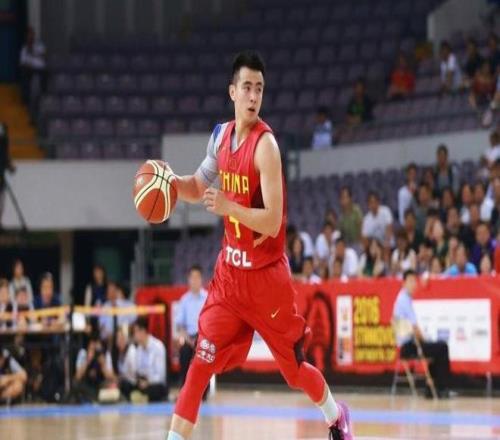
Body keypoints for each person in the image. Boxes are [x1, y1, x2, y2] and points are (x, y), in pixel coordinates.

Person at [164, 51, 353, 440]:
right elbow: (197, 186)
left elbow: (272, 220)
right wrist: (171, 183)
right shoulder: (220, 137)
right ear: (232, 91)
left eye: (260, 89)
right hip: (230, 277)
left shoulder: (266, 146)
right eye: (247, 87)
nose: (253, 96)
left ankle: (336, 416)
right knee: (200, 361)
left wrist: (229, 207)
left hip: (267, 279)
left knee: (294, 371)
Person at [392, 270, 451, 398]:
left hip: (409, 344)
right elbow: (415, 329)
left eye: (415, 281)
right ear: (403, 283)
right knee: (442, 347)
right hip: (408, 346)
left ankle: (431, 389)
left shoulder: (403, 298)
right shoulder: (404, 300)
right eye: (410, 281)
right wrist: (425, 341)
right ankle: (441, 388)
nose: (414, 284)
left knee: (436, 349)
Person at [175, 266, 208, 387]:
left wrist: (202, 339)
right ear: (188, 280)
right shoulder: (184, 300)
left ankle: (204, 389)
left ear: (201, 279)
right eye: (192, 277)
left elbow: (212, 322)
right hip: (189, 338)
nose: (195, 280)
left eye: (197, 277)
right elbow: (179, 325)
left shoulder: (208, 297)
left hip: (204, 337)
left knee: (206, 353)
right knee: (184, 352)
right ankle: (185, 388)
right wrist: (189, 340)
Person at [121, 317, 167, 403]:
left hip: (153, 384)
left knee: (157, 390)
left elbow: (160, 376)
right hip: (142, 382)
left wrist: (148, 382)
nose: (134, 335)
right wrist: (139, 381)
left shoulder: (158, 347)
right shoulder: (138, 349)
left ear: (142, 331)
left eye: (135, 332)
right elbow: (136, 372)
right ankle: (141, 397)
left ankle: (141, 398)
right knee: (124, 385)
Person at [74, 336, 115, 403]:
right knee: (76, 385)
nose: (94, 352)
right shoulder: (83, 353)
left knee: (110, 386)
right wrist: (87, 361)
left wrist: (103, 364)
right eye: (92, 349)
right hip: (87, 385)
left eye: (96, 349)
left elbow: (111, 378)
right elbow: (77, 377)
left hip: (100, 385)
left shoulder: (105, 355)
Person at [19, 26, 48, 106]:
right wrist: (28, 64)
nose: (30, 36)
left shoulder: (39, 45)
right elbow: (22, 62)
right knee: (24, 73)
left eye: (31, 34)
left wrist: (33, 53)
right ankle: (26, 99)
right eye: (28, 35)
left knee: (45, 74)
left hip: (40, 69)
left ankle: (43, 97)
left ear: (34, 35)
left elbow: (44, 56)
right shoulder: (24, 48)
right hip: (29, 69)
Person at [0, 123, 15, 229]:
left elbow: (5, 158)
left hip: (1, 178)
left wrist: (9, 166)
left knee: (2, 201)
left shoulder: (4, 144)